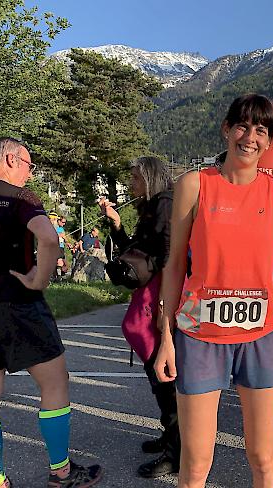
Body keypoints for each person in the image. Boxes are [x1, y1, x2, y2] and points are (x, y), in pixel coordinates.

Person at [154, 94, 273, 488]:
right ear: (226, 130)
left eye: (261, 131)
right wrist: (166, 338)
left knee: (264, 459)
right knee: (196, 465)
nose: (250, 137)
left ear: (269, 142)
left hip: (261, 336)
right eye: (242, 126)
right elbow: (175, 265)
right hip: (200, 338)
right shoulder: (195, 185)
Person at [0, 137, 102, 488]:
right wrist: (39, 279)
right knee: (54, 383)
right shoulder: (21, 197)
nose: (30, 172)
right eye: (28, 164)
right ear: (10, 159)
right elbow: (49, 238)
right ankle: (61, 472)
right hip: (19, 303)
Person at [98, 156, 178, 478]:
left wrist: (165, 306)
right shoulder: (154, 205)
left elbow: (168, 256)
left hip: (160, 294)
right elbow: (136, 250)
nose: (131, 184)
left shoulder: (165, 204)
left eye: (134, 177)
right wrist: (116, 225)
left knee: (164, 371)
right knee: (156, 369)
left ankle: (177, 451)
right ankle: (170, 436)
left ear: (149, 177)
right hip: (153, 291)